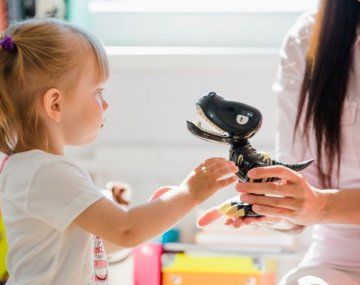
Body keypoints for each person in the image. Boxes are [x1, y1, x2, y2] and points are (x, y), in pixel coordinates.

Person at [0, 19, 239, 284]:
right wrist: (191, 192)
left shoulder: (34, 169)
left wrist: (158, 211)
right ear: (55, 103)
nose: (106, 104)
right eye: (97, 91)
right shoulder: (47, 172)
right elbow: (126, 230)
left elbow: (100, 243)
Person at [198, 0, 360, 284]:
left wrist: (320, 206)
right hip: (337, 260)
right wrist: (273, 205)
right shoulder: (309, 37)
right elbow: (302, 191)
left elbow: (317, 203)